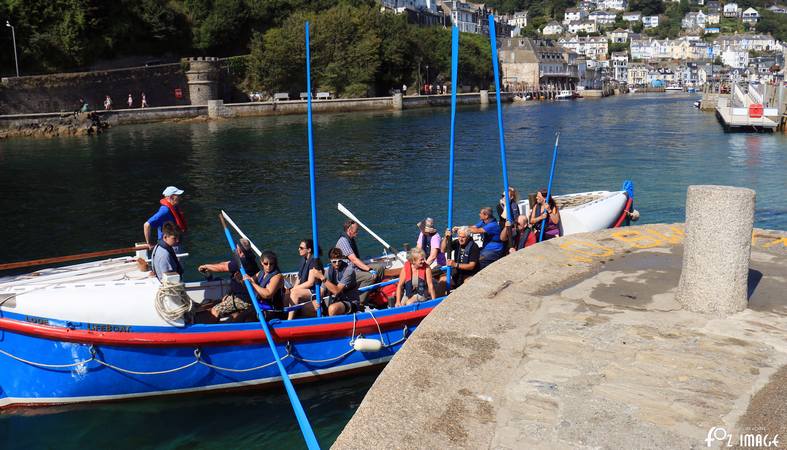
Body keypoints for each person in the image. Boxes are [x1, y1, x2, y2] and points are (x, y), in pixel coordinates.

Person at [197, 238, 259, 322]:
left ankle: (212, 331)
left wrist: (206, 266)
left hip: (243, 299)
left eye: (236, 248)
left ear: (239, 250)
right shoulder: (247, 257)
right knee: (214, 304)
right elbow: (226, 263)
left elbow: (223, 267)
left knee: (215, 310)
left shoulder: (243, 262)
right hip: (238, 295)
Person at [336, 219, 384, 305]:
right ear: (349, 230)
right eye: (356, 230)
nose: (357, 232)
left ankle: (372, 293)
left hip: (355, 267)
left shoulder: (351, 239)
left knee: (380, 268)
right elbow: (354, 259)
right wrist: (369, 269)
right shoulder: (343, 241)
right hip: (348, 271)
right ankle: (360, 301)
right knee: (370, 276)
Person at [310, 248, 360, 316]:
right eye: (334, 261)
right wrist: (316, 301)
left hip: (351, 301)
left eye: (339, 261)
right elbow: (321, 291)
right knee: (308, 307)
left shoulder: (349, 271)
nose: (337, 264)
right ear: (330, 261)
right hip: (336, 300)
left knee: (333, 309)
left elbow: (337, 291)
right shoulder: (328, 271)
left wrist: (322, 277)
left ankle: (330, 325)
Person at [144, 186, 187, 253]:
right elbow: (146, 225)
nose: (180, 197)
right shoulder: (165, 210)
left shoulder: (174, 207)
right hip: (169, 246)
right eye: (178, 195)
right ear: (171, 197)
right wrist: (148, 243)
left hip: (175, 243)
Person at [287, 239, 321, 320]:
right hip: (305, 289)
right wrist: (293, 288)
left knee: (295, 293)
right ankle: (284, 315)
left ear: (309, 250)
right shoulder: (304, 259)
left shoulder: (313, 261)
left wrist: (295, 289)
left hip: (313, 290)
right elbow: (299, 278)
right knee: (288, 292)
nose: (299, 249)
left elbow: (310, 283)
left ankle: (289, 320)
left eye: (301, 248)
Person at [243, 250, 285, 316]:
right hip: (259, 308)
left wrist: (253, 283)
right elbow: (249, 282)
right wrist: (242, 279)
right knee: (237, 317)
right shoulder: (260, 273)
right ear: (261, 262)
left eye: (271, 264)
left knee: (245, 318)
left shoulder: (277, 277)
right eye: (266, 263)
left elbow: (267, 294)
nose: (268, 266)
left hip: (272, 311)